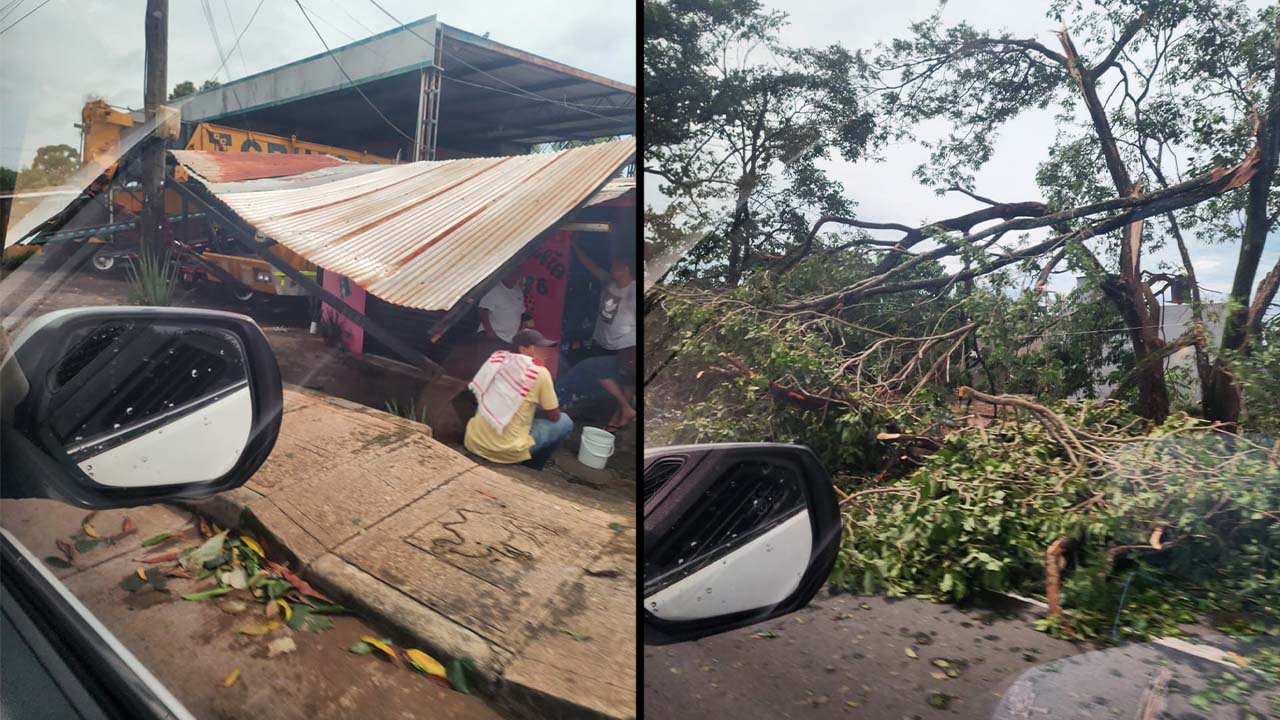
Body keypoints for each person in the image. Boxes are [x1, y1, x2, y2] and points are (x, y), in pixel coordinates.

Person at [464, 328, 572, 470]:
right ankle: (532, 466)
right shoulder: (539, 372)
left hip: (473, 442)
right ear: (523, 349)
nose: (545, 353)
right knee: (565, 421)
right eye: (538, 348)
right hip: (505, 452)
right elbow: (554, 416)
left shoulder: (497, 360)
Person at [571, 241, 635, 352]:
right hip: (601, 343)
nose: (611, 268)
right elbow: (590, 265)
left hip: (624, 349)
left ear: (626, 269)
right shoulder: (608, 281)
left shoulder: (634, 292)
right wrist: (574, 244)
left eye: (615, 266)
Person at [555, 346, 636, 432]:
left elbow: (627, 394)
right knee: (562, 422)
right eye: (630, 359)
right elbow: (611, 387)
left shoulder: (629, 370)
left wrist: (614, 422)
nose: (631, 362)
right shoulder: (603, 364)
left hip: (589, 403)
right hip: (567, 394)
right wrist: (627, 408)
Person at [476, 270, 526, 347]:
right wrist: (489, 331)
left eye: (516, 277)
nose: (514, 280)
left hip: (510, 338)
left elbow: (520, 312)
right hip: (494, 336)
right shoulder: (495, 290)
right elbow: (483, 309)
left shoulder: (518, 290)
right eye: (512, 277)